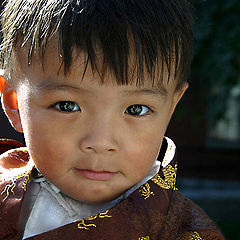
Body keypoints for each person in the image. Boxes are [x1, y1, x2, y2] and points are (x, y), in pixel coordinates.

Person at [0, 0, 225, 239]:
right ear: (14, 103)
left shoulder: (186, 231)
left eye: (136, 109)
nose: (100, 141)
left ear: (171, 108)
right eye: (67, 106)